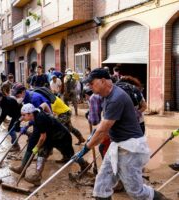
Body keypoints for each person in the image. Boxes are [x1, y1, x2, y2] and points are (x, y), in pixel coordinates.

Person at [75, 68, 167, 200]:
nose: (89, 86)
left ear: (102, 81)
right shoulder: (106, 96)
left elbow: (103, 130)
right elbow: (103, 127)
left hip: (130, 148)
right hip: (117, 145)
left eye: (91, 83)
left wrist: (86, 148)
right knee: (101, 187)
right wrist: (93, 137)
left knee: (136, 192)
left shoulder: (116, 98)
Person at [10, 104, 88, 186]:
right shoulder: (35, 114)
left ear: (30, 113)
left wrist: (36, 147)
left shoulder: (39, 118)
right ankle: (37, 177)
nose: (22, 117)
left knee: (70, 155)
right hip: (50, 137)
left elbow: (42, 137)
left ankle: (84, 164)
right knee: (41, 153)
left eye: (23, 115)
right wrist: (21, 120)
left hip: (61, 137)